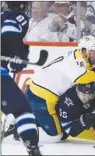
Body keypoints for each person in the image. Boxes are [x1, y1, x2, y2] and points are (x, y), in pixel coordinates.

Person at [24, 35, 95, 143]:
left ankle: (23, 120)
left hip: (36, 91)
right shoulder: (75, 63)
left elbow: (87, 69)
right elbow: (81, 77)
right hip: (42, 97)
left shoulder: (77, 54)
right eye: (94, 52)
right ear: (85, 51)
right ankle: (24, 134)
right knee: (57, 136)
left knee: (60, 130)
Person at [1, 2, 42, 155]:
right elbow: (10, 31)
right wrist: (19, 53)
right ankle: (32, 148)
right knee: (22, 110)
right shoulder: (14, 16)